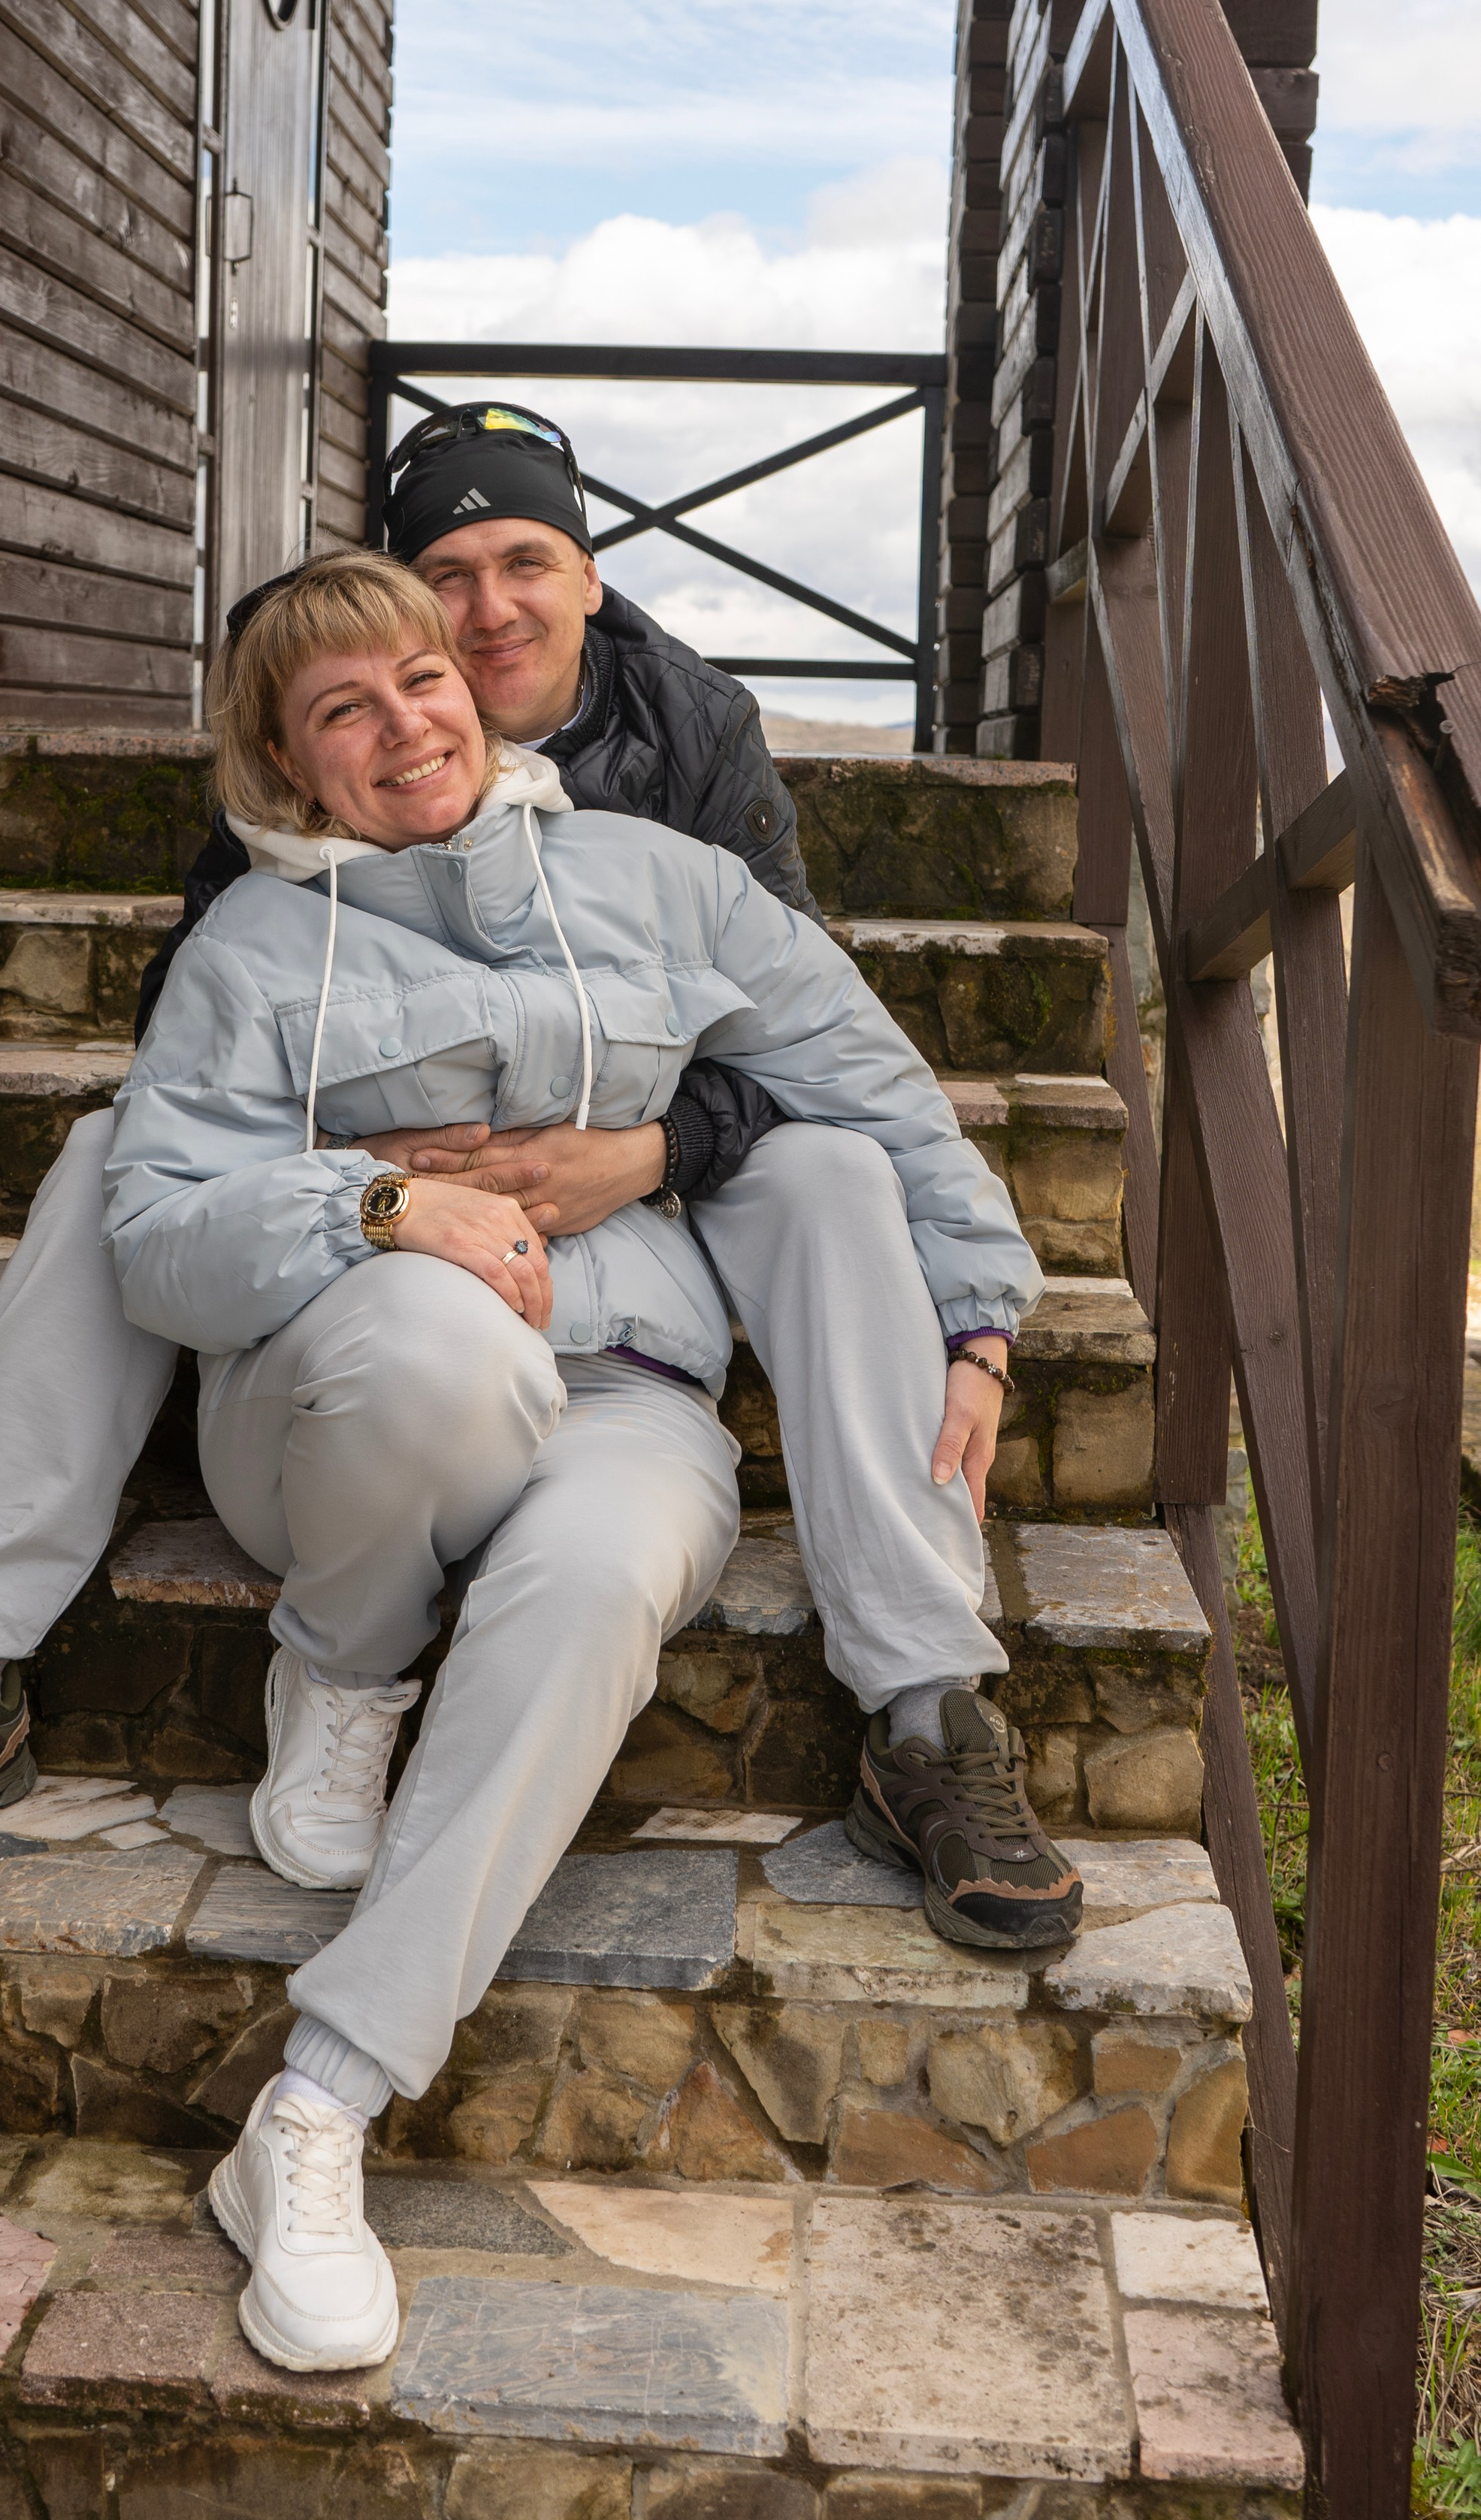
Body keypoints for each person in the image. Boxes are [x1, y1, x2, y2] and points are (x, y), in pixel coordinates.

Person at [0, 408, 1075, 1976]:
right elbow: (187, 1132)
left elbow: (846, 1065)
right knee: (104, 1154)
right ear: (296, 736)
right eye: (436, 598)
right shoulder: (271, 891)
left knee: (826, 1165)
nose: (473, 636)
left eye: (521, 568)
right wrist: (363, 1190)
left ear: (588, 581)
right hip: (378, 1302)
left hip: (650, 1185)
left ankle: (930, 1701)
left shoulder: (685, 766)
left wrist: (943, 1293)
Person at [99, 546, 1066, 2368]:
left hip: (626, 1395)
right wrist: (382, 1201)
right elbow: (150, 1234)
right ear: (287, 765)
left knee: (614, 1560)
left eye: (422, 679)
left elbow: (873, 1088)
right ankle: (338, 1659)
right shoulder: (246, 948)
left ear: (476, 689)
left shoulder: (666, 880)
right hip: (338, 1406)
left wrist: (982, 1309)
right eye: (343, 710)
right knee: (433, 1327)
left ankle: (319, 2101)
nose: (405, 724)